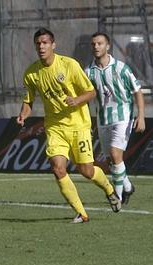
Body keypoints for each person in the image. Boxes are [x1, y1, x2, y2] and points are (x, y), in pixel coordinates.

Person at [16, 28, 121, 224]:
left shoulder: (69, 65)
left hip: (78, 125)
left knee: (86, 171)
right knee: (58, 168)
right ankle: (82, 213)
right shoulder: (31, 73)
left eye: (45, 43)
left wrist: (76, 100)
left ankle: (108, 188)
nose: (41, 46)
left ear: (53, 45)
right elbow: (28, 101)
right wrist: (23, 114)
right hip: (55, 127)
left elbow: (91, 92)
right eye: (38, 43)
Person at [85, 32, 146, 203]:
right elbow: (87, 96)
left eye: (100, 43)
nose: (96, 47)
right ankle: (127, 186)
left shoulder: (121, 68)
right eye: (93, 44)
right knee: (111, 160)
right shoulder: (88, 71)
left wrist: (140, 116)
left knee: (115, 154)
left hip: (123, 116)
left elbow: (137, 92)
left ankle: (117, 198)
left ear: (108, 46)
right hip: (103, 119)